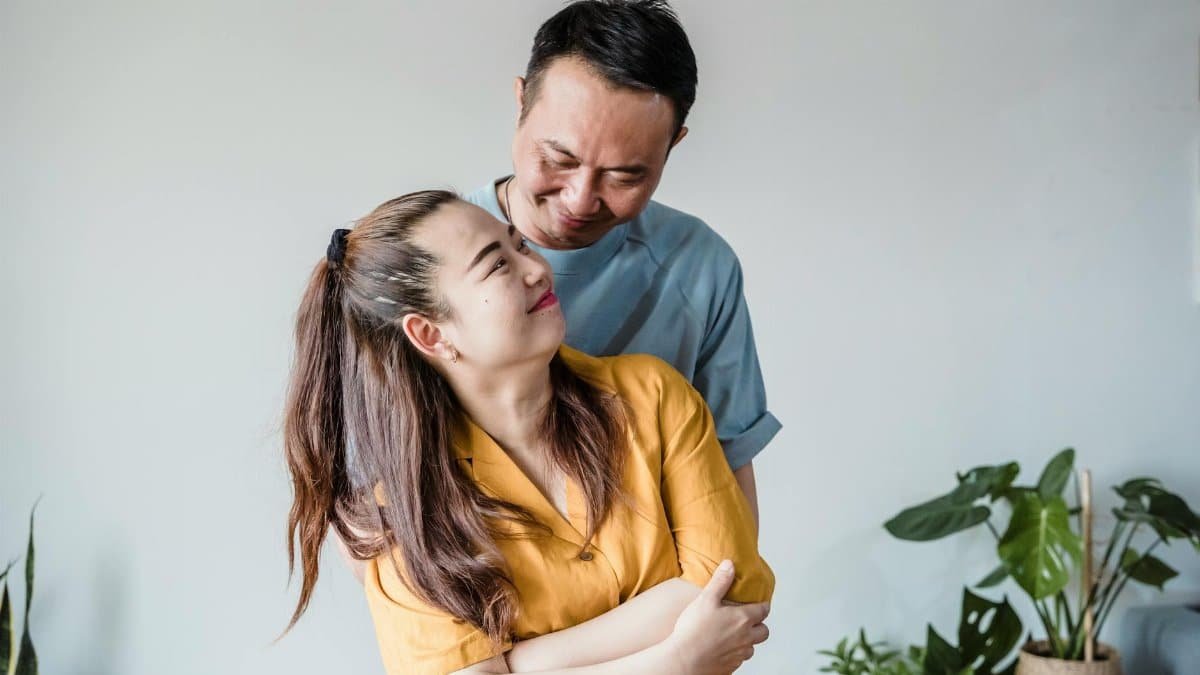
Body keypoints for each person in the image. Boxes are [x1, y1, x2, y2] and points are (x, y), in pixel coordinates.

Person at [282, 190, 774, 674]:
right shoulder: (406, 511)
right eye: (497, 265)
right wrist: (677, 661)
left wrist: (519, 664)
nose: (538, 269)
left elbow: (734, 590)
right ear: (431, 334)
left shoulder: (653, 396)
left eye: (519, 245)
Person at [464, 0, 780, 527]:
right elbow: (359, 502)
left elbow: (726, 472)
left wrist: (735, 597)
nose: (580, 200)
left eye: (625, 176)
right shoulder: (421, 256)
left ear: (673, 145)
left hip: (661, 592)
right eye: (559, 160)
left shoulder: (700, 268)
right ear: (521, 103)